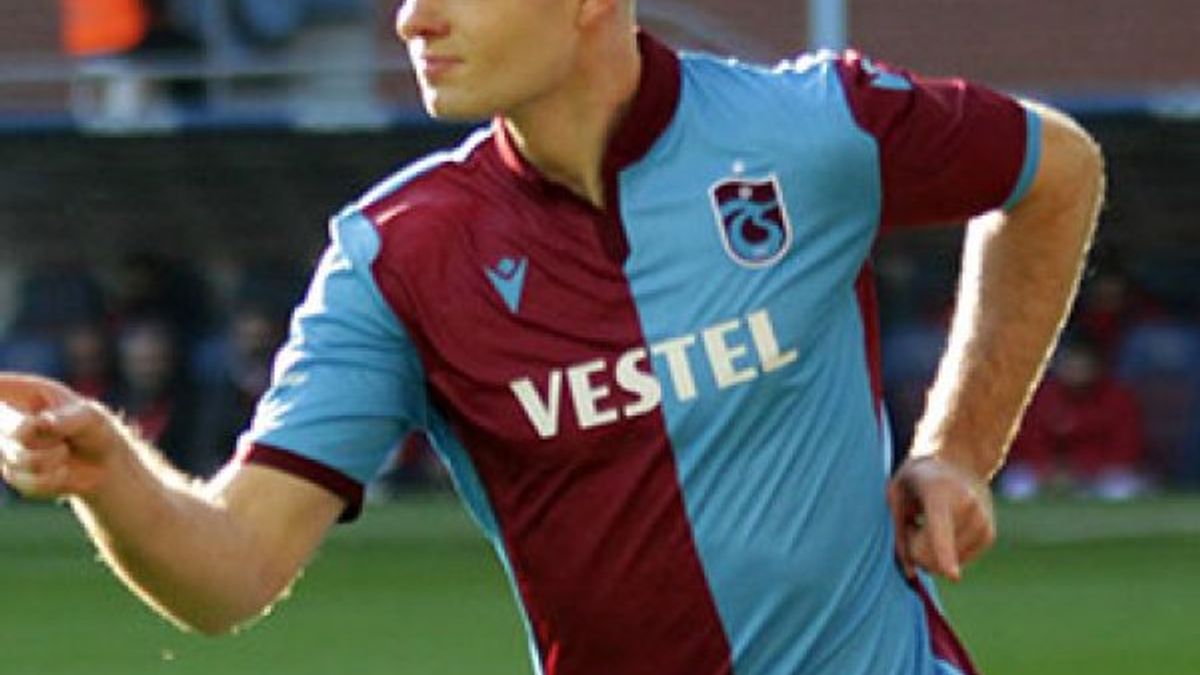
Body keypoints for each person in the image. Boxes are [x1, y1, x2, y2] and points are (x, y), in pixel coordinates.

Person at [0, 1, 1103, 674]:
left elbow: (1057, 172)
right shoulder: (397, 258)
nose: (412, 18)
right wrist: (112, 476)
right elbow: (235, 570)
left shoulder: (814, 129)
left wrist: (960, 448)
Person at [1001, 338, 1147, 500]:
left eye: (1082, 365)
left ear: (1096, 366)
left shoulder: (1117, 397)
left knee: (1121, 490)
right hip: (1046, 473)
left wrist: (1083, 470)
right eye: (1071, 364)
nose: (1076, 371)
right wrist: (1048, 469)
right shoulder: (1040, 395)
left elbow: (1126, 446)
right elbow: (1027, 442)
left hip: (1100, 474)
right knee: (1016, 486)